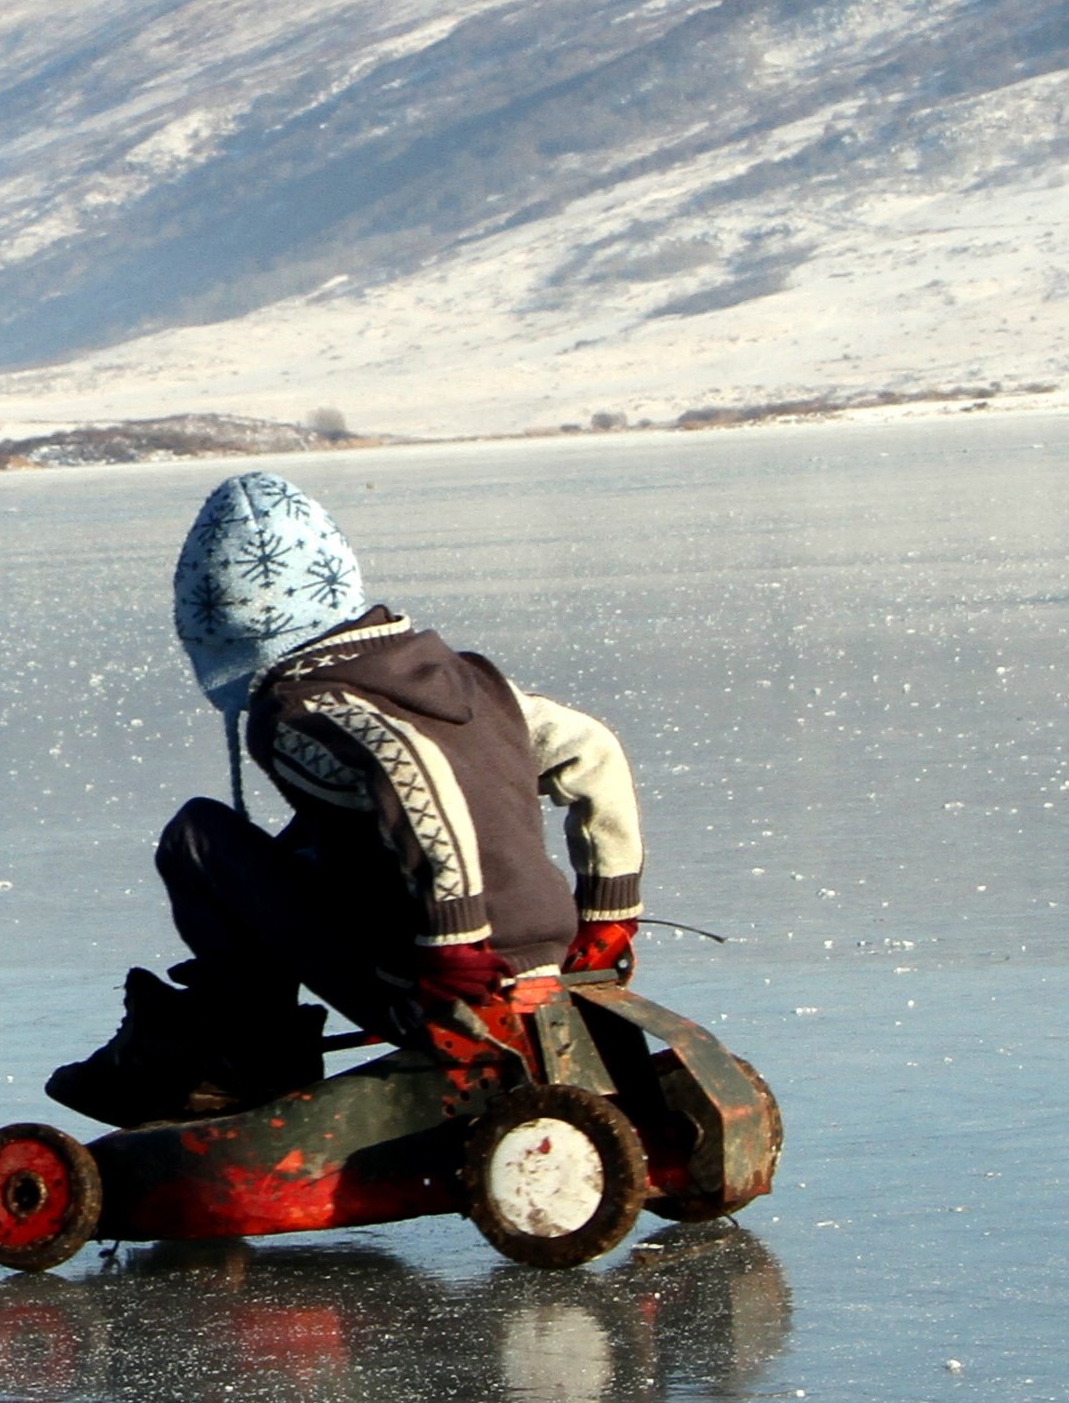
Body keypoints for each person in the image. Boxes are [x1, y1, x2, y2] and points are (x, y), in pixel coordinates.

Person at [48, 471, 643, 1128]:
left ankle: (246, 1058)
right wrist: (608, 915)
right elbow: (592, 750)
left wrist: (455, 941)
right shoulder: (468, 682)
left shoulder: (305, 708)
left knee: (198, 838)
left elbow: (407, 768)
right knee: (311, 837)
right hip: (548, 967)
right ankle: (239, 1033)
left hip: (443, 988)